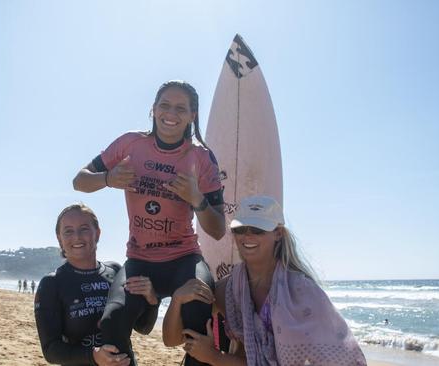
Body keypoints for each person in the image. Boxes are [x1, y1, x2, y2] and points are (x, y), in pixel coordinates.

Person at [73, 80, 225, 366]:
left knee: (198, 313)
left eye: (181, 108)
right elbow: (79, 180)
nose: (171, 113)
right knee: (113, 322)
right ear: (153, 109)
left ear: (192, 115)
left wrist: (197, 199)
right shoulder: (131, 144)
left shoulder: (201, 158)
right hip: (140, 260)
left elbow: (217, 229)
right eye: (164, 105)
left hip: (184, 259)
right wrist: (107, 179)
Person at [163, 195, 367, 365]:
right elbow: (172, 339)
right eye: (240, 230)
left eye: (258, 230)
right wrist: (177, 300)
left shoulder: (303, 293)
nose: (247, 237)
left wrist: (215, 358)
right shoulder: (231, 289)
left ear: (278, 233)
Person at [35, 203, 159, 366]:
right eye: (68, 231)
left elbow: (143, 327)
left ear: (97, 233)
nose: (77, 237)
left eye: (84, 228)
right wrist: (93, 356)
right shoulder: (51, 284)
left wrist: (152, 300)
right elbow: (51, 350)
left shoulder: (116, 272)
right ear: (59, 238)